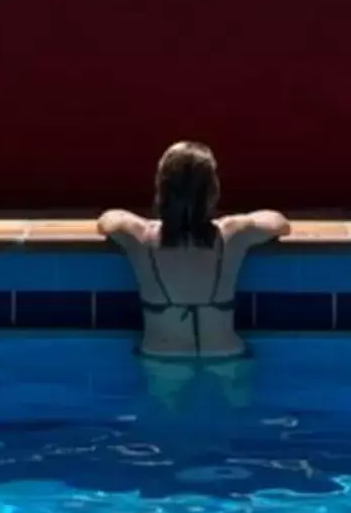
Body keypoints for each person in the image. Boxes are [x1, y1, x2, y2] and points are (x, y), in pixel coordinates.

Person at [99, 141, 289, 361]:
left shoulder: (140, 237)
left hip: (161, 355)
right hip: (225, 354)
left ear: (162, 189)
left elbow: (108, 220)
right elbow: (279, 222)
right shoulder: (233, 234)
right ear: (212, 191)